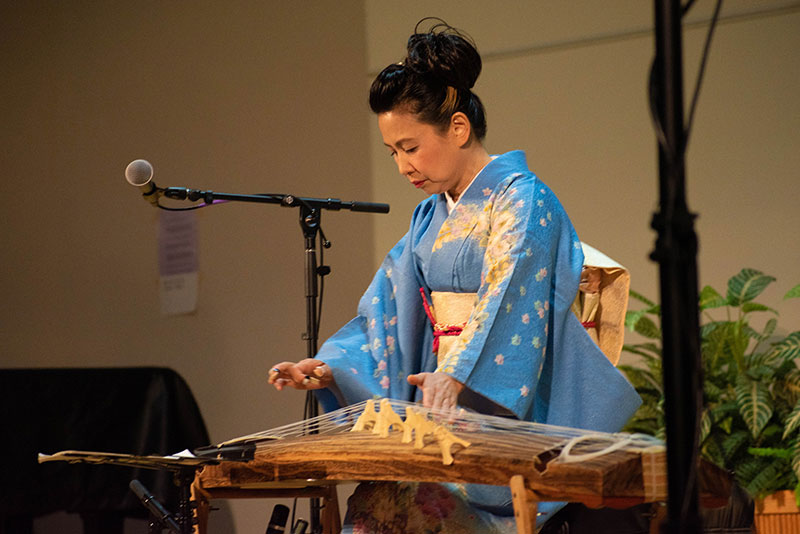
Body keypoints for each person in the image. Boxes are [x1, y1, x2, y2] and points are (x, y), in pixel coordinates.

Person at [268, 19, 641, 533]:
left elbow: (510, 296)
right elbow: (387, 309)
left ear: (459, 128)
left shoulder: (523, 199)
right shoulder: (428, 217)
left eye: (411, 146)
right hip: (441, 395)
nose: (402, 166)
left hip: (504, 403)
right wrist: (331, 367)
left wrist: (459, 375)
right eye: (393, 152)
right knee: (378, 506)